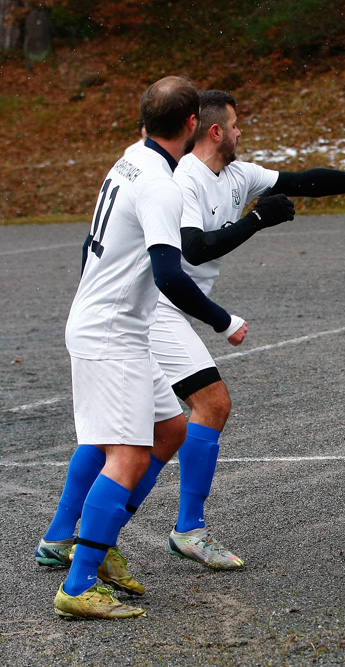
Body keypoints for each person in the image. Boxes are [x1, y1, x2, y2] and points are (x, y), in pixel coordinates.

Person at [149, 89, 345, 569]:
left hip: (170, 308)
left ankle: (66, 534)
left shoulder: (237, 173)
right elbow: (194, 250)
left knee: (147, 432)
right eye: (234, 126)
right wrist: (257, 219)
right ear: (215, 131)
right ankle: (185, 529)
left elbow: (308, 182)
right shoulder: (185, 181)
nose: (240, 133)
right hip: (157, 307)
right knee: (208, 406)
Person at [39, 76, 248, 619]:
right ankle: (80, 583)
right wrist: (225, 322)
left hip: (113, 326)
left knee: (170, 429)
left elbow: (94, 249)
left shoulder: (129, 159)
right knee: (129, 454)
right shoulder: (160, 183)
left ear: (143, 122)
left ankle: (95, 549)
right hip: (111, 333)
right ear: (191, 126)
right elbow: (169, 275)